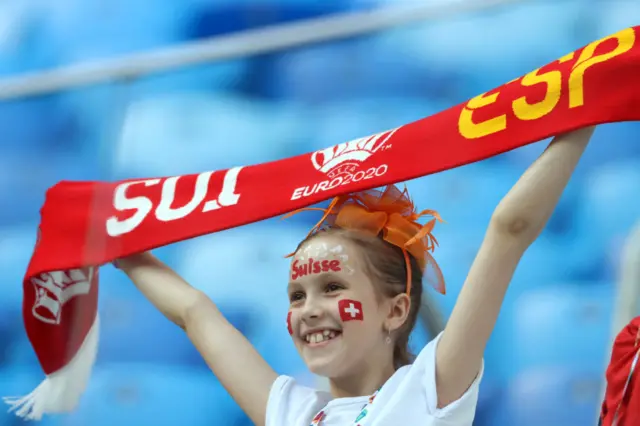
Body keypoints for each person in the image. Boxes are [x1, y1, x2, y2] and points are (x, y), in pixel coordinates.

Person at [115, 126, 596, 425]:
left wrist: (585, 109)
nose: (309, 310)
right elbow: (195, 313)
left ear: (396, 309)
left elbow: (508, 230)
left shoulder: (431, 389)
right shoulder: (292, 413)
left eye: (332, 287)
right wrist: (110, 240)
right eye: (296, 296)